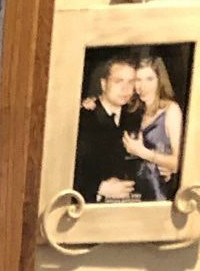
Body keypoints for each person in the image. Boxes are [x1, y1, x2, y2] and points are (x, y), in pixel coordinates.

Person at [74, 54, 140, 202]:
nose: (125, 88)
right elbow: (64, 168)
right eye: (118, 81)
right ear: (104, 84)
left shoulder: (134, 118)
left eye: (131, 82)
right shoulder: (83, 119)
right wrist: (100, 188)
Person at [124, 53, 184, 202]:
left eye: (149, 79)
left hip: (158, 194)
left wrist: (144, 153)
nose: (142, 86)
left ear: (160, 81)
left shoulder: (171, 110)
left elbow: (180, 163)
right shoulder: (134, 111)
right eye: (138, 79)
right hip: (133, 193)